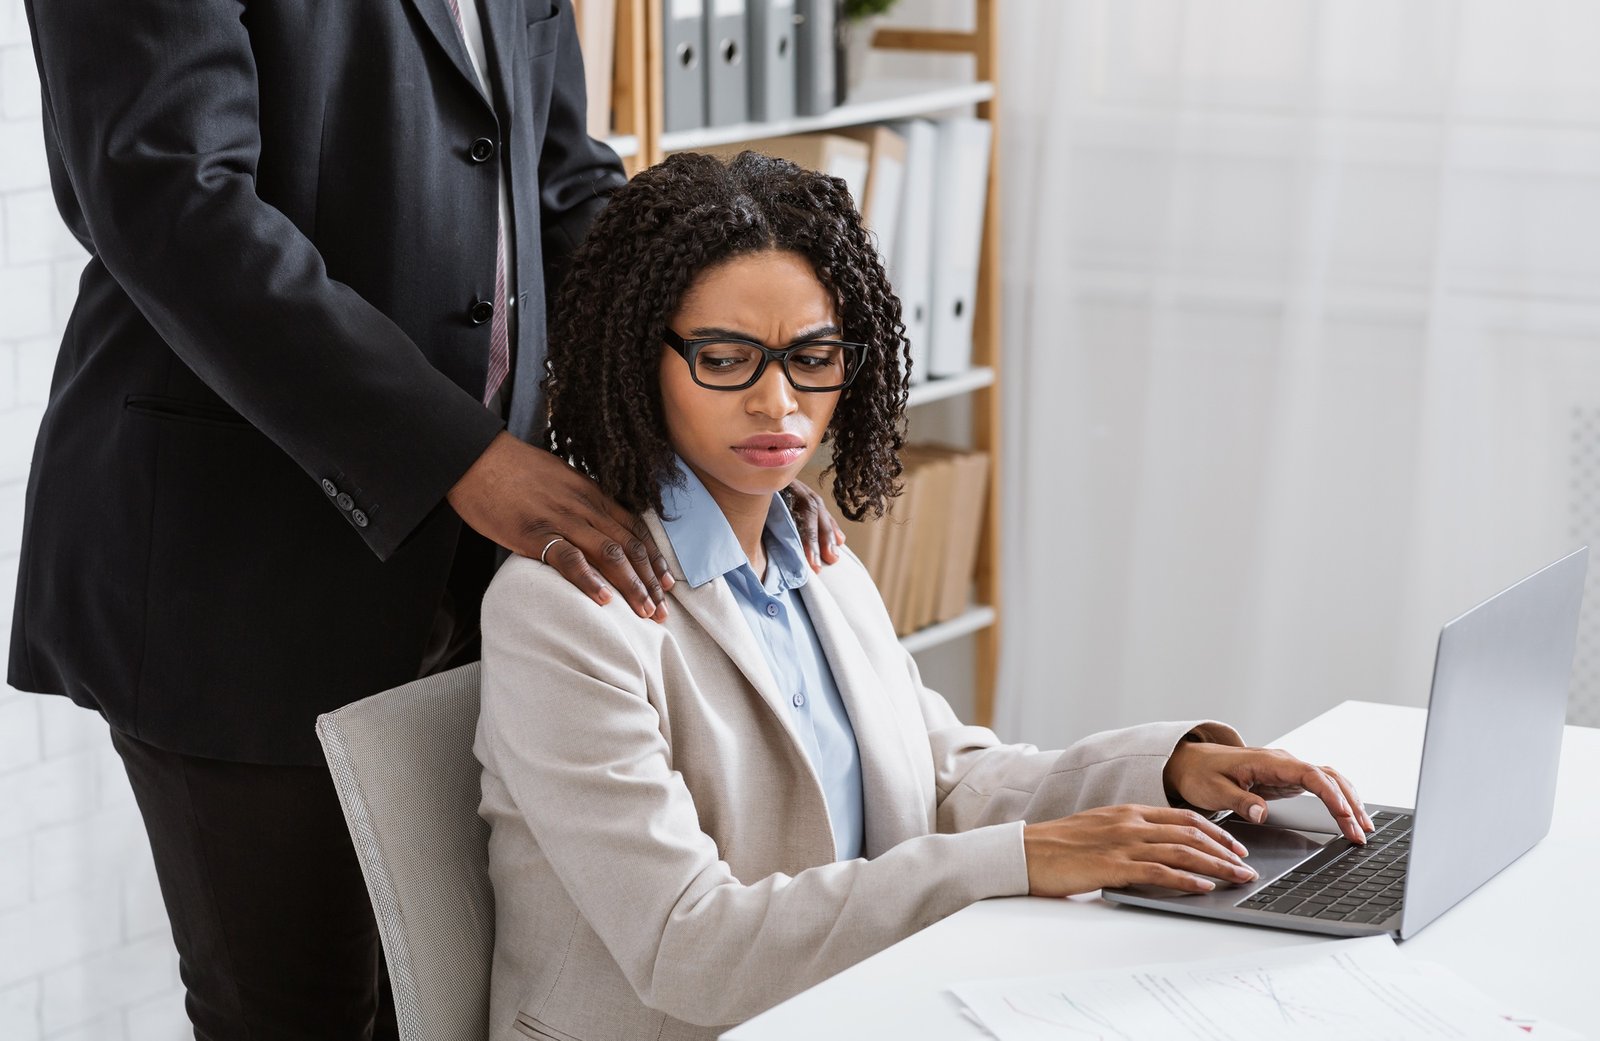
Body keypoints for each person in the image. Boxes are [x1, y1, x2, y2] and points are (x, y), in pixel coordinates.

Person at [7, 4, 841, 1039]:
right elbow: (170, 201)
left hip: (482, 569)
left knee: (446, 1004)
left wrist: (713, 434)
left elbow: (561, 178)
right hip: (238, 569)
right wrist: (460, 456)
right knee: (297, 1017)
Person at [474, 150, 1376, 1041]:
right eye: (725, 358)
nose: (778, 402)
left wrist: (1166, 773)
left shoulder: (816, 556)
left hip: (858, 1004)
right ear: (642, 360)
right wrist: (1026, 859)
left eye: (812, 356)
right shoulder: (563, 613)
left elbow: (939, 781)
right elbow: (689, 942)